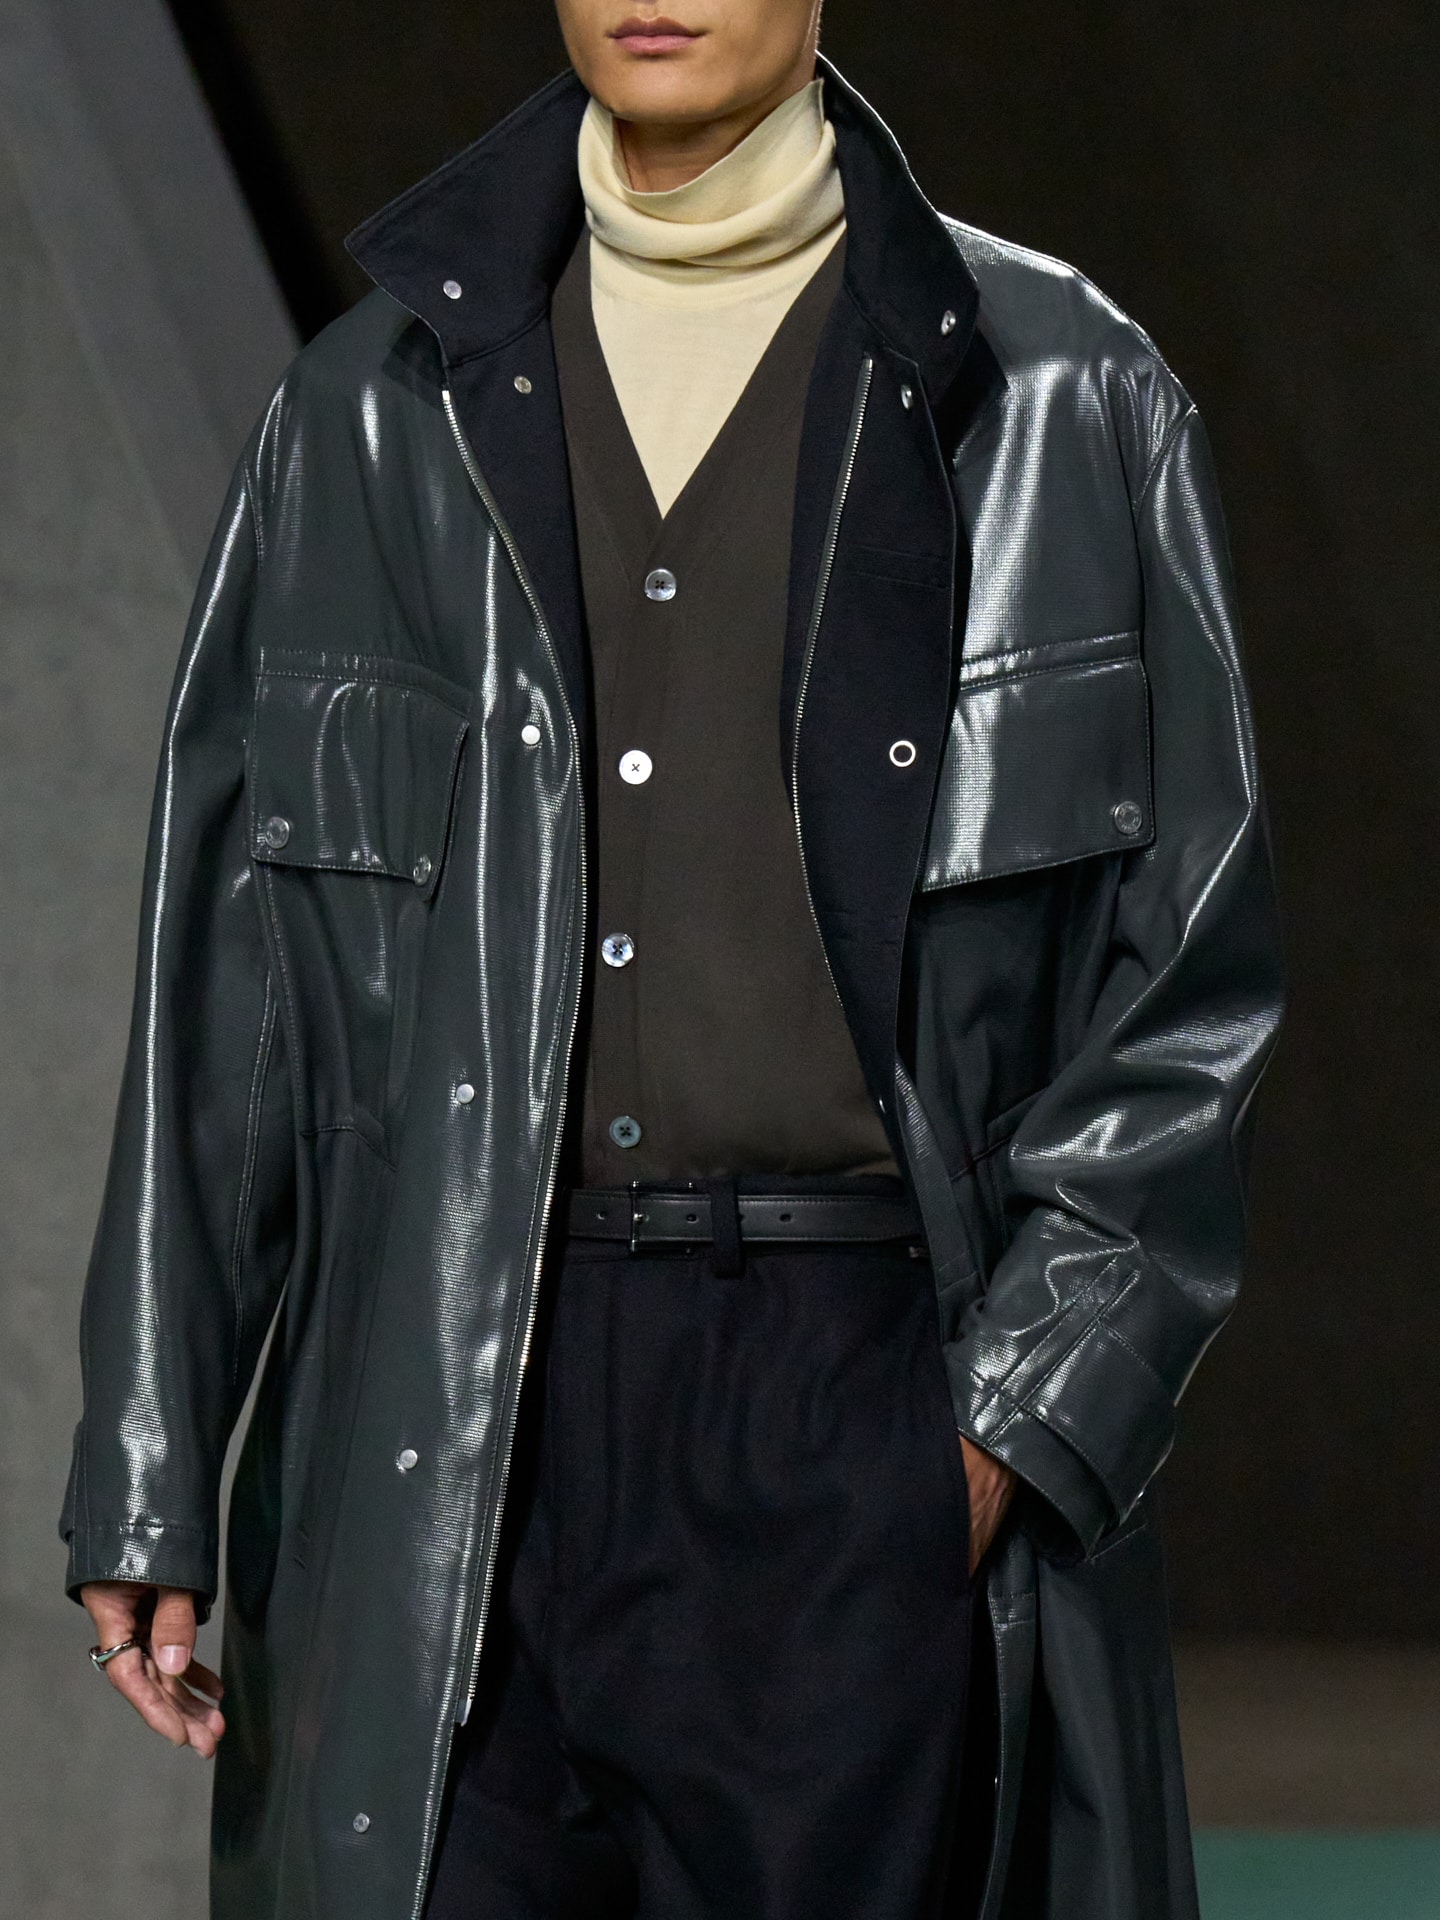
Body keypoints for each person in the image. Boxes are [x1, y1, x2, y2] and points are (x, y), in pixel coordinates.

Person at [64, 2, 1283, 1916]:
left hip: (858, 1392)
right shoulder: (366, 415)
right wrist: (154, 1456)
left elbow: (1189, 982)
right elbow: (231, 994)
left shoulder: (1062, 396)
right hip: (454, 1414)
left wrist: (1003, 1434)